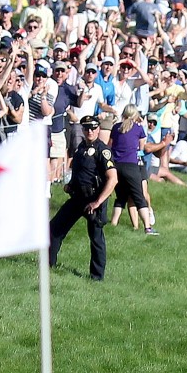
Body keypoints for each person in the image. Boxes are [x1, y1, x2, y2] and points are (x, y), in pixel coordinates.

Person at [47, 115, 116, 282]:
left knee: (96, 238)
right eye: (86, 128)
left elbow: (113, 179)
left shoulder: (102, 151)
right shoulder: (80, 148)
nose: (89, 131)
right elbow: (79, 172)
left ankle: (97, 277)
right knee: (54, 228)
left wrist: (98, 202)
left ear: (98, 129)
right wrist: (70, 185)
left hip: (94, 199)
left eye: (92, 128)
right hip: (78, 197)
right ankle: (48, 265)